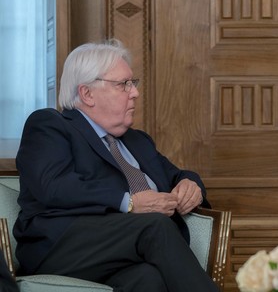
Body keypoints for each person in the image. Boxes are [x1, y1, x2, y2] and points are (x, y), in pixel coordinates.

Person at [14, 39, 219, 292]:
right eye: (124, 84)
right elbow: (53, 186)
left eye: (133, 83)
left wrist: (191, 184)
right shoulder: (50, 125)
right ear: (87, 93)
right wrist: (129, 202)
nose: (135, 92)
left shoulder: (137, 141)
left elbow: (177, 175)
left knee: (148, 279)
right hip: (61, 247)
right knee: (154, 225)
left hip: (122, 253)